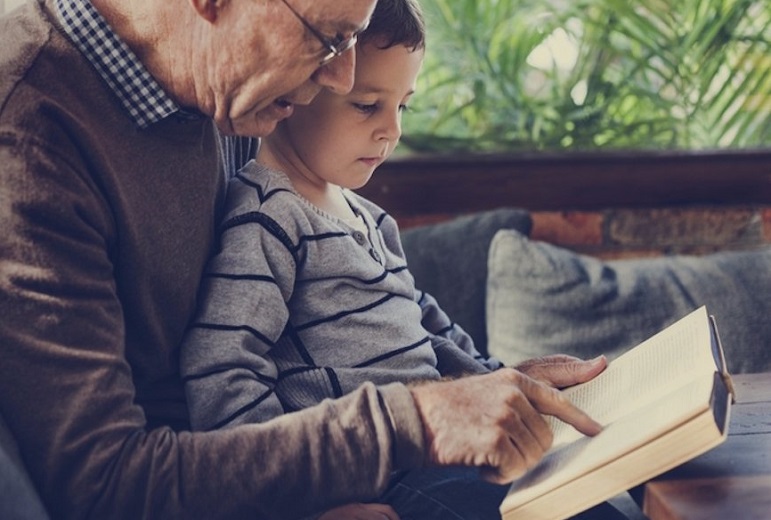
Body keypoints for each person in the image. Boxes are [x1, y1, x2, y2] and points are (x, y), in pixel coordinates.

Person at [0, 0, 604, 518]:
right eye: (330, 37)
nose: (341, 78)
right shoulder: (29, 134)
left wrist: (489, 385)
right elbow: (102, 486)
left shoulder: (226, 82)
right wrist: (411, 421)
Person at [180, 1, 607, 518]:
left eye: (402, 106)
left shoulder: (369, 218)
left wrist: (510, 385)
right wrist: (300, 507)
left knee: (589, 488)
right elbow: (222, 369)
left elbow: (430, 330)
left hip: (440, 450)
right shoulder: (268, 218)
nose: (392, 130)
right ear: (299, 89)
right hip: (375, 481)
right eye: (367, 106)